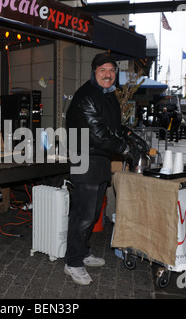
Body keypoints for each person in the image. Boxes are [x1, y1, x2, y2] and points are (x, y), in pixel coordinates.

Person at [65, 52, 148, 285]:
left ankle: (81, 252)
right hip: (85, 157)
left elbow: (111, 126)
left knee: (92, 213)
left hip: (99, 158)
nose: (108, 75)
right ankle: (72, 262)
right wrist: (125, 149)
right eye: (103, 70)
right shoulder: (86, 96)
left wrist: (129, 134)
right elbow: (98, 134)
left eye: (112, 70)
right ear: (94, 72)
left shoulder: (108, 95)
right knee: (83, 214)